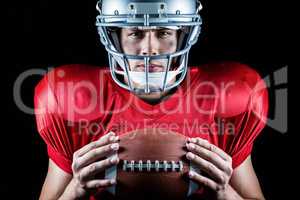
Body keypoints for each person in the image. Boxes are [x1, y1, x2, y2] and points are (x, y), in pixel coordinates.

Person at [34, 0, 268, 199]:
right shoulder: (72, 97)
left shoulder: (230, 95)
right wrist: (74, 190)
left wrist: (227, 193)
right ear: (113, 37)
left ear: (183, 34)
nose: (149, 48)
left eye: (163, 32)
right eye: (135, 32)